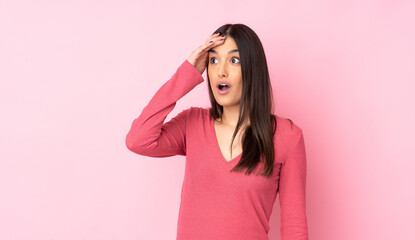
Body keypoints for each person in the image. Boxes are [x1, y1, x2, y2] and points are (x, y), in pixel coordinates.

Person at [125, 23, 308, 240]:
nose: (221, 71)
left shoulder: (287, 136)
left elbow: (294, 229)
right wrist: (188, 72)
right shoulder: (192, 123)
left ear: (252, 68)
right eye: (213, 60)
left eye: (234, 60)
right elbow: (138, 140)